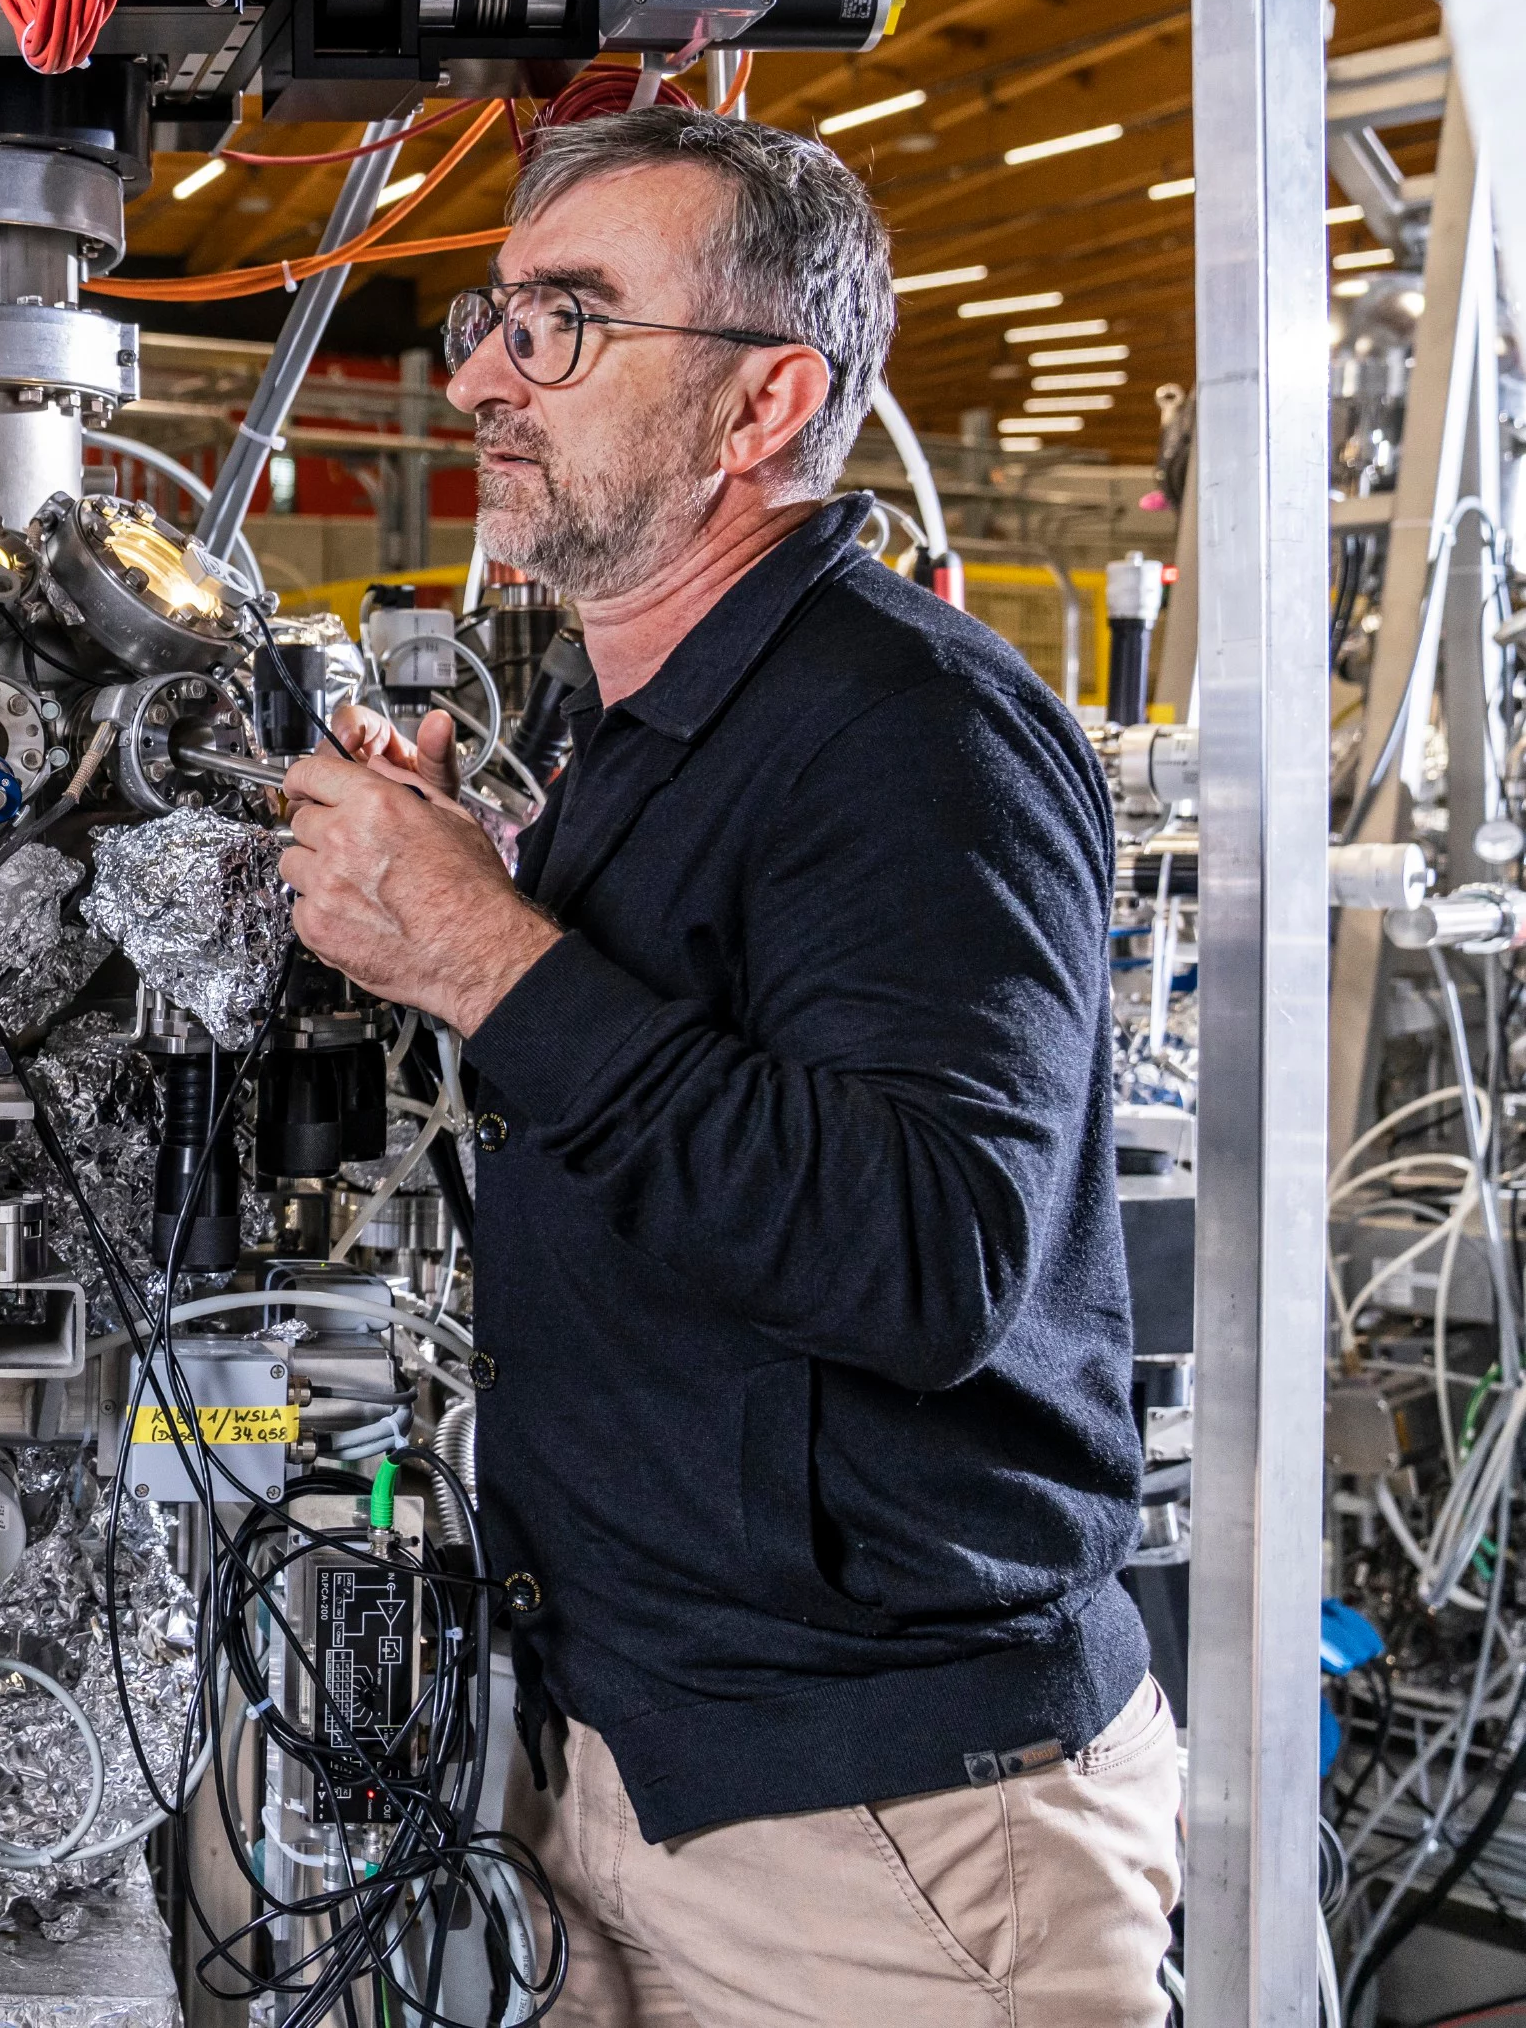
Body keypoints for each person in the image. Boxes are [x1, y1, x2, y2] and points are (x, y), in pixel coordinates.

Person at [275, 105, 1178, 2024]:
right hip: (647, 1750)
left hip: (891, 1838)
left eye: (572, 324)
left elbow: (924, 1253)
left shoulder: (909, 733)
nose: (492, 379)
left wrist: (488, 955)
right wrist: (499, 903)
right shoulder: (650, 721)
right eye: (497, 317)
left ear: (764, 402)